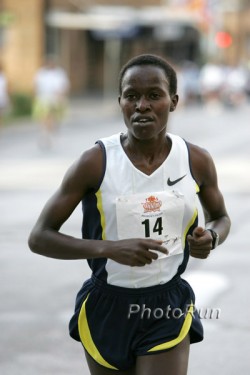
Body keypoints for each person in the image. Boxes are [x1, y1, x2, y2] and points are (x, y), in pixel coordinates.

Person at [28, 54, 231, 375]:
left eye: (154, 95)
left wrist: (212, 237)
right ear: (120, 101)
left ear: (173, 101)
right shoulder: (95, 162)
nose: (142, 105)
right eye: (132, 96)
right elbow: (39, 238)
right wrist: (108, 249)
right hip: (107, 305)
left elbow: (221, 216)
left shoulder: (196, 160)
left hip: (167, 305)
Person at [32, 56, 70, 148]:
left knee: (53, 118)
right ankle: (44, 134)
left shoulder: (59, 73)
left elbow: (64, 86)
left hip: (55, 99)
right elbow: (35, 86)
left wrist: (61, 96)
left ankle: (50, 133)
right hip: (43, 99)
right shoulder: (41, 73)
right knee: (44, 118)